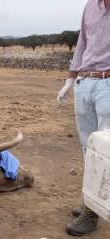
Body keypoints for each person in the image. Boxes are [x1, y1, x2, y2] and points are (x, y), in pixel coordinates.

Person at [57, 0, 110, 236]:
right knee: (88, 148)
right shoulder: (90, 6)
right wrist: (70, 79)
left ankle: (92, 212)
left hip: (108, 84)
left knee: (105, 151)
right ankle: (92, 201)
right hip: (84, 83)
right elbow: (82, 43)